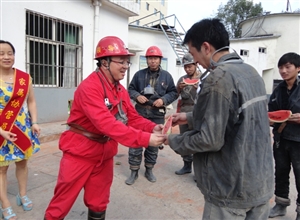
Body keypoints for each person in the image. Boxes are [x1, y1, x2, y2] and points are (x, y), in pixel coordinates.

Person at [44, 36, 166, 220]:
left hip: (104, 153)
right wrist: (145, 139)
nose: (126, 66)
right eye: (121, 61)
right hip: (80, 153)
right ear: (104, 62)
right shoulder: (89, 88)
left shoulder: (119, 88)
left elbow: (130, 117)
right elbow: (107, 124)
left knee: (99, 201)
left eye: (127, 62)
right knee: (61, 204)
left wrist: (152, 128)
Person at [165, 19, 274, 219]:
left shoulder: (219, 78)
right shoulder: (252, 73)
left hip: (231, 188)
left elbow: (209, 139)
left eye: (194, 53)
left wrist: (171, 139)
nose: (195, 61)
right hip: (260, 183)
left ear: (206, 47)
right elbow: (235, 117)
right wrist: (190, 117)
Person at [125, 46, 178, 185]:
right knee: (135, 142)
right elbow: (130, 89)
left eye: (155, 58)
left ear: (160, 60)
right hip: (140, 113)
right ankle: (134, 171)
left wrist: (164, 100)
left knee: (153, 145)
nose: (153, 61)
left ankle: (149, 169)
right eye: (150, 58)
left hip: (157, 114)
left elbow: (173, 92)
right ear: (146, 60)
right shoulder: (139, 75)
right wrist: (137, 96)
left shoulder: (167, 76)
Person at [0, 40, 41, 220]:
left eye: (10, 53)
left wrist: (35, 122)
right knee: (1, 169)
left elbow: (31, 101)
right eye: (1, 53)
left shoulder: (24, 78)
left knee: (22, 163)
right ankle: (5, 203)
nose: (6, 57)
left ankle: (22, 194)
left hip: (21, 127)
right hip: (1, 128)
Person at [268, 52, 300, 219]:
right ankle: (280, 205)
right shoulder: (279, 89)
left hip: (298, 140)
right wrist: (269, 119)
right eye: (281, 67)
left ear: (298, 68)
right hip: (281, 138)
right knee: (280, 172)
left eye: (288, 67)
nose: (283, 71)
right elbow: (271, 110)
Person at [175, 53, 201, 175]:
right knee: (184, 139)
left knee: (196, 140)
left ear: (195, 64)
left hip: (197, 112)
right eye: (185, 67)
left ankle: (198, 171)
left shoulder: (203, 78)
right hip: (183, 111)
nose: (187, 69)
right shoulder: (182, 79)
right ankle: (186, 165)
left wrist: (199, 89)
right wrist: (179, 88)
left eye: (190, 66)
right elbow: (175, 95)